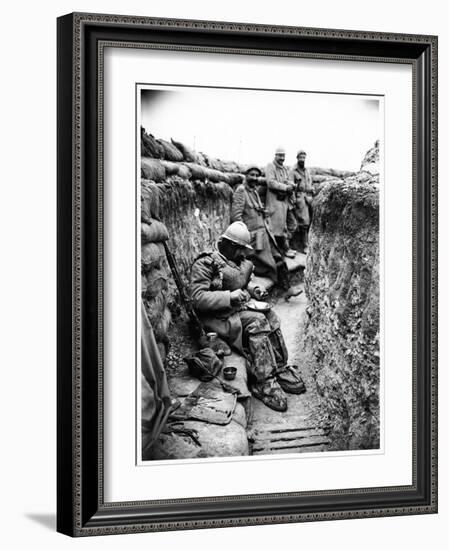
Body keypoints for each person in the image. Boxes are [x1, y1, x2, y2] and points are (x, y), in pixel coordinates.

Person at [189, 221, 305, 412]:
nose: (244, 254)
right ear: (231, 246)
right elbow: (197, 298)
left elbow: (244, 282)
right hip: (218, 319)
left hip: (236, 311)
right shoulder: (205, 263)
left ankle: (279, 366)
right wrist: (229, 296)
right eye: (241, 249)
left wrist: (254, 289)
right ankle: (263, 380)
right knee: (257, 322)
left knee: (271, 316)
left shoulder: (238, 261)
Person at [230, 166, 285, 286]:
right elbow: (236, 217)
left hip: (264, 234)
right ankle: (284, 288)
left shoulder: (254, 191)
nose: (254, 178)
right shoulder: (241, 191)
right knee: (271, 264)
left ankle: (287, 288)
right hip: (253, 240)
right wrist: (246, 238)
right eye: (252, 175)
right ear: (246, 175)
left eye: (257, 175)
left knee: (279, 257)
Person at [265, 147, 297, 259]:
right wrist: (285, 187)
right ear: (275, 155)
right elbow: (271, 182)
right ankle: (277, 252)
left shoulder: (283, 169)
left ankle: (284, 249)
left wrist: (291, 184)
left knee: (286, 226)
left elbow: (286, 179)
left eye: (283, 156)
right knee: (275, 228)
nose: (282, 158)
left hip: (284, 202)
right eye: (280, 156)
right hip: (274, 202)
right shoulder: (270, 166)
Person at [290, 150, 314, 254]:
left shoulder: (307, 171)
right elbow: (291, 186)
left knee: (310, 221)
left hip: (308, 198)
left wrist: (311, 191)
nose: (302, 159)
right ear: (297, 158)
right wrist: (294, 199)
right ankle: (304, 245)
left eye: (304, 157)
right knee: (304, 223)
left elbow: (309, 184)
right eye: (300, 157)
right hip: (299, 198)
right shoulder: (293, 171)